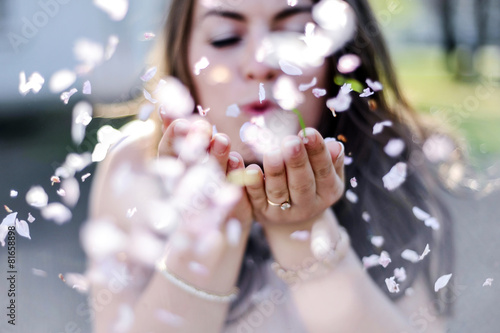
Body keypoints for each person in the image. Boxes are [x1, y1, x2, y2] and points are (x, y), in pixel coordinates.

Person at [86, 0, 454, 332]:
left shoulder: (387, 160)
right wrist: (208, 233)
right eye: (225, 37)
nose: (261, 63)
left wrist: (304, 232)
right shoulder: (133, 167)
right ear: (182, 57)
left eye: (296, 34)